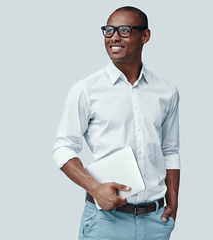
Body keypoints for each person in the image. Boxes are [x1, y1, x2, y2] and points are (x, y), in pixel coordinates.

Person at [53, 6, 180, 240]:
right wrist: (95, 188)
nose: (114, 37)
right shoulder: (85, 90)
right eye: (109, 30)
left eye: (124, 30)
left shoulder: (166, 91)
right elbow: (63, 148)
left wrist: (173, 203)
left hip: (155, 221)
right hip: (106, 222)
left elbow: (170, 150)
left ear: (145, 36)